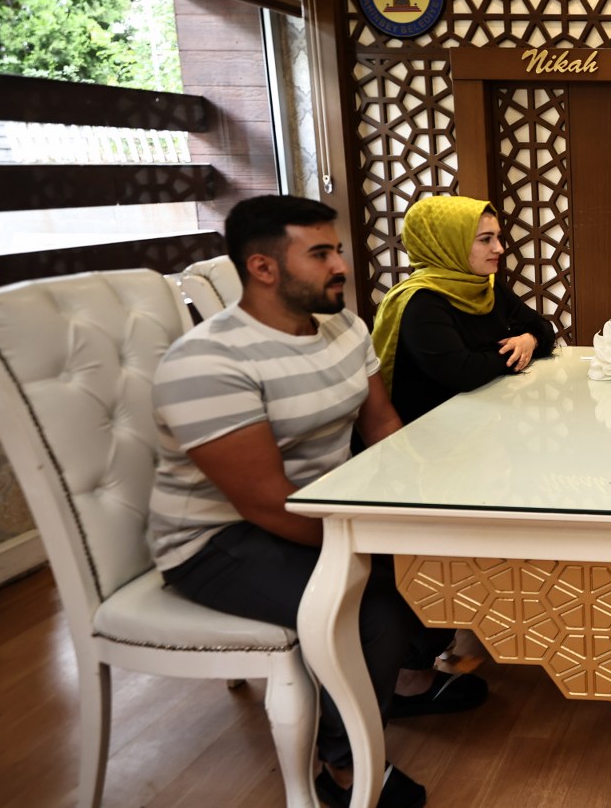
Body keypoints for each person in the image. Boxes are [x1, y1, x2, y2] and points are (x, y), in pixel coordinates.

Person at [149, 195, 485, 808]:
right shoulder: (208, 361)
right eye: (321, 254)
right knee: (377, 603)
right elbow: (265, 503)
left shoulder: (345, 327)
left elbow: (382, 426)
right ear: (263, 268)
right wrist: (379, 543)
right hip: (217, 540)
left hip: (324, 508)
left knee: (441, 557)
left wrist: (429, 504)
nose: (341, 266)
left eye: (338, 250)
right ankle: (345, 764)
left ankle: (403, 686)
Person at [371, 195, 556, 423]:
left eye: (498, 237)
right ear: (448, 243)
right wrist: (517, 350)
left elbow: (544, 328)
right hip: (430, 429)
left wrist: (529, 340)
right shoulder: (420, 301)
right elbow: (463, 372)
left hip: (483, 417)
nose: (499, 248)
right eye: (485, 239)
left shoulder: (487, 285)